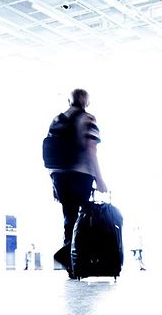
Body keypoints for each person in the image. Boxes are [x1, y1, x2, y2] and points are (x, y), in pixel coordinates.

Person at [47, 88, 107, 277]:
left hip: (59, 176)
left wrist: (53, 182)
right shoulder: (88, 119)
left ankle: (71, 263)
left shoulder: (57, 120)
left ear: (69, 100)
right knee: (84, 219)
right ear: (86, 102)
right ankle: (75, 259)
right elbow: (91, 150)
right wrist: (99, 178)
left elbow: (50, 153)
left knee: (69, 218)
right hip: (80, 174)